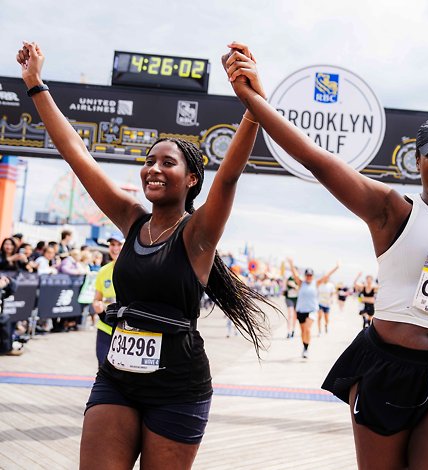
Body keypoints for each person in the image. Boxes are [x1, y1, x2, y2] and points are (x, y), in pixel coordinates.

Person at [223, 42, 428, 468]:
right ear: (417, 161)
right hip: (391, 367)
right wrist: (253, 99)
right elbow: (316, 159)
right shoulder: (392, 210)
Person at [17, 41, 273, 468]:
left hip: (178, 386)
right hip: (117, 379)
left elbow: (228, 177)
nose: (153, 168)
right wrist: (35, 84)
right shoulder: (131, 218)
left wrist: (252, 104)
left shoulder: (197, 233)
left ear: (191, 178)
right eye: (149, 160)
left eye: (166, 163)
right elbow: (77, 155)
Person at [288, 258, 339, 358]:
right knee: (303, 331)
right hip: (300, 310)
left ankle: (307, 349)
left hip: (312, 310)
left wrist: (336, 267)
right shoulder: (301, 283)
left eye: (310, 275)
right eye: (307, 275)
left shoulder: (316, 283)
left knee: (307, 329)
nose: (309, 277)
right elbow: (295, 274)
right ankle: (305, 347)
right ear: (305, 276)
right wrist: (291, 264)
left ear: (313, 276)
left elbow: (326, 276)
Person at [92, 236, 123, 366]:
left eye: (118, 244)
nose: (115, 248)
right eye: (112, 244)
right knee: (103, 365)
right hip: (105, 326)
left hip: (124, 329)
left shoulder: (136, 269)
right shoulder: (103, 270)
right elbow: (97, 299)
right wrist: (97, 306)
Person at [284, 273, 299, 338]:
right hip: (289, 298)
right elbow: (288, 283)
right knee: (290, 315)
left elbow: (299, 287)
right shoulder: (289, 278)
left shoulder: (299, 279)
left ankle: (293, 330)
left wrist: (296, 286)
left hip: (296, 299)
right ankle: (288, 332)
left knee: (295, 316)